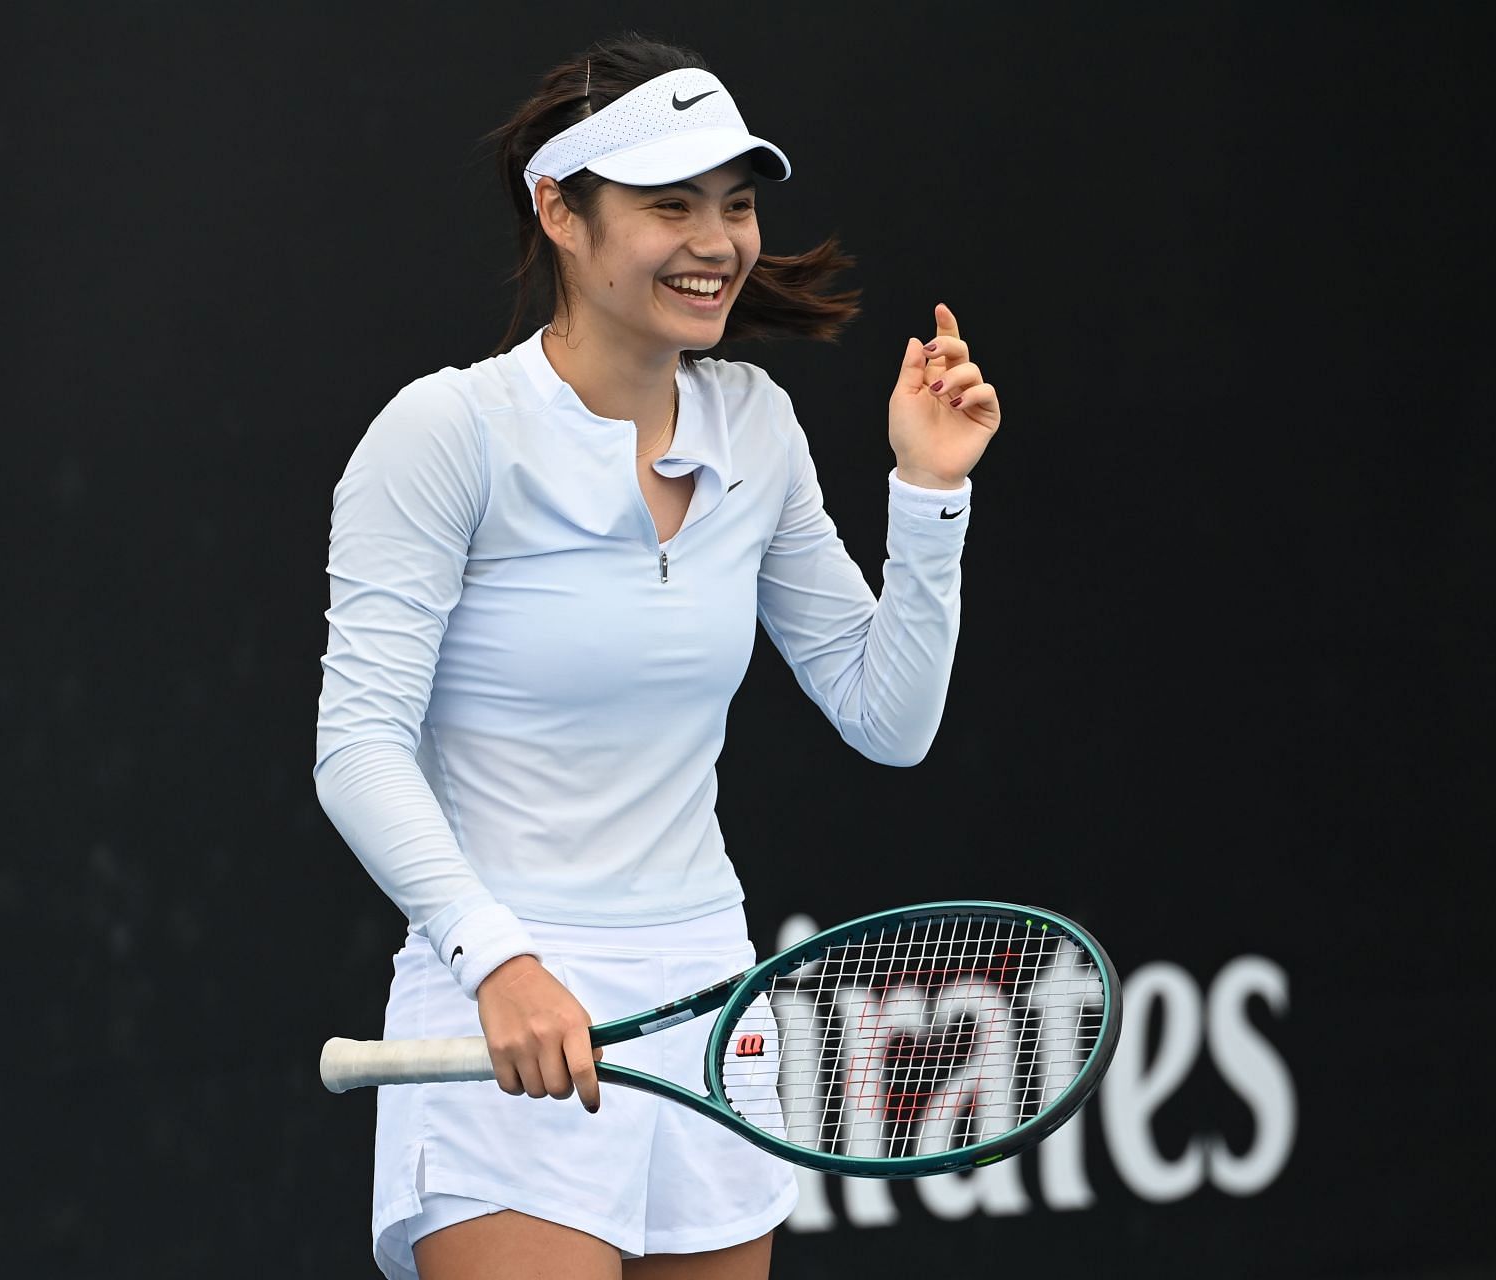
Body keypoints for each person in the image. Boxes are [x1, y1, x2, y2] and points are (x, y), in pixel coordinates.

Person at [314, 32, 1002, 1280]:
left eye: (736, 205)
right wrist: (498, 957)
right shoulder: (445, 434)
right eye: (670, 204)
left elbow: (885, 714)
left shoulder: (757, 422)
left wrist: (927, 493)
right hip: (501, 1005)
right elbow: (356, 748)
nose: (719, 240)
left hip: (707, 1006)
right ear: (560, 213)